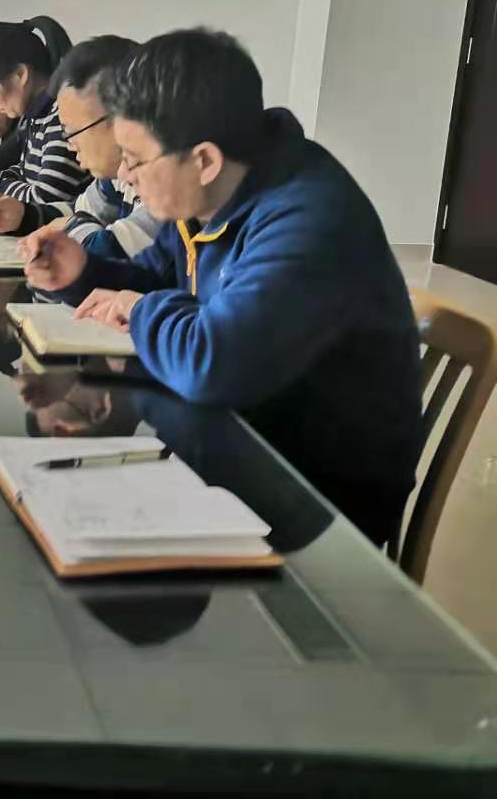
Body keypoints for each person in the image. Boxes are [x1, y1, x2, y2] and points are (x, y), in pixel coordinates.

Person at [24, 28, 423, 545]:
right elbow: (155, 276)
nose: (124, 174)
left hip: (319, 498)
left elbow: (211, 361)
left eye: (135, 159)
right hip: (241, 430)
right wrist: (83, 273)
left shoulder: (308, 216)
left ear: (205, 160)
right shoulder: (211, 194)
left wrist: (140, 309)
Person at [0, 35, 160, 259]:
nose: (69, 143)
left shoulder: (160, 184)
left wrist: (70, 224)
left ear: (120, 118)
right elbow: (78, 210)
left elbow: (107, 248)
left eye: (74, 131)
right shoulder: (113, 178)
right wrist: (23, 215)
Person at [0, 17, 90, 237]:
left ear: (20, 74)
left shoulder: (61, 117)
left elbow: (46, 199)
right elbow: (26, 173)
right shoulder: (37, 116)